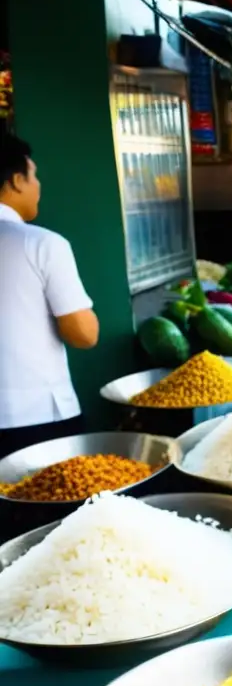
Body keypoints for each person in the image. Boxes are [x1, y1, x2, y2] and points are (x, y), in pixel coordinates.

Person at [0, 135, 98, 458]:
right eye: (34, 175)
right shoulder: (42, 244)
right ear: (16, 180)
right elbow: (84, 334)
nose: (38, 185)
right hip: (39, 420)